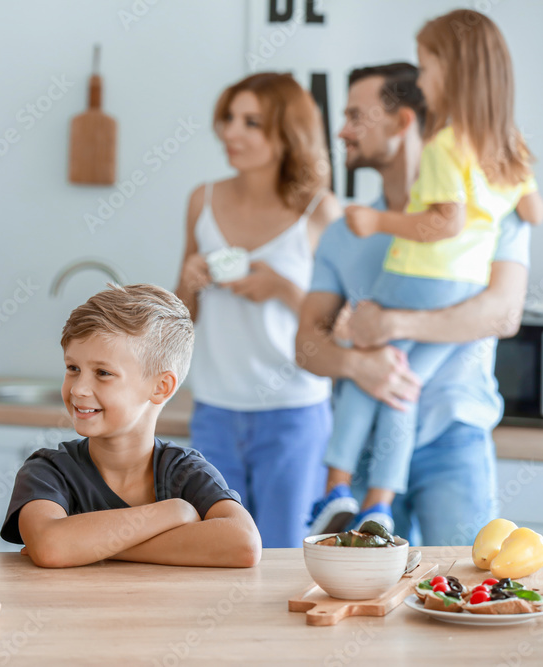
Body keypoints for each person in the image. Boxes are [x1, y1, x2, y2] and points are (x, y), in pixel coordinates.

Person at [309, 10, 543, 535]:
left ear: (404, 121)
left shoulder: (491, 201)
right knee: (368, 605)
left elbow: (503, 314)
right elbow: (306, 341)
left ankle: (338, 484)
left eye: (357, 115)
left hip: (454, 441)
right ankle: (345, 492)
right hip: (372, 447)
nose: (343, 130)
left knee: (457, 599)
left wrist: (391, 328)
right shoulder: (343, 232)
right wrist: (356, 366)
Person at [174, 73, 342, 548]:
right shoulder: (201, 201)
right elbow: (179, 322)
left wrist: (284, 289)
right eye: (228, 118)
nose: (231, 132)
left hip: (293, 412)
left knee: (288, 556)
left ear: (287, 132)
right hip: (215, 409)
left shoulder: (320, 211)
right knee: (222, 551)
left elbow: (343, 328)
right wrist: (189, 282)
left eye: (251, 122)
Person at [0, 284, 261, 568]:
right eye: (73, 368)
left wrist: (91, 547)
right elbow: (51, 547)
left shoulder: (186, 472)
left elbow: (244, 545)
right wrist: (173, 512)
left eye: (103, 373)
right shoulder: (47, 471)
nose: (78, 389)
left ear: (161, 387)